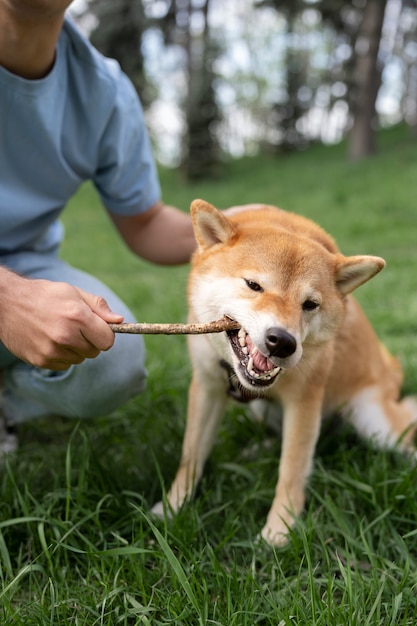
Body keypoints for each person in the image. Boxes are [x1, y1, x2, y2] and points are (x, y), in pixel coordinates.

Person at [0, 0, 198, 457]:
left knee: (112, 356)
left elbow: (146, 222)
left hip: (26, 261)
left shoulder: (103, 90)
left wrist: (244, 228)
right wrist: (7, 300)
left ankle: (8, 399)